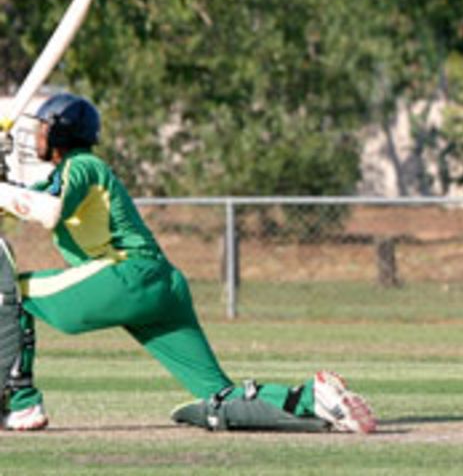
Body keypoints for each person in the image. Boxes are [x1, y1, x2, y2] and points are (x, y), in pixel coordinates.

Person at [0, 92, 377, 434]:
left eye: (42, 129)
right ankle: (316, 399)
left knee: (12, 292)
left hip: (128, 275)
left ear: (61, 134)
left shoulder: (81, 166)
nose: (35, 138)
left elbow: (46, 211)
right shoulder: (66, 177)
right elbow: (22, 205)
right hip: (160, 284)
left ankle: (21, 402)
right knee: (219, 396)